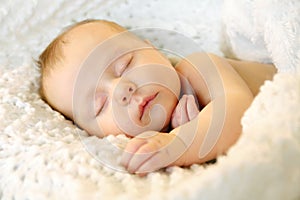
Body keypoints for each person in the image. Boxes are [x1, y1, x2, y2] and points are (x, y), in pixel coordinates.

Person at [37, 19, 277, 175]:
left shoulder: (198, 67)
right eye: (100, 105)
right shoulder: (154, 141)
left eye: (124, 66)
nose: (122, 90)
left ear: (152, 48)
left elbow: (238, 111)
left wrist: (179, 144)